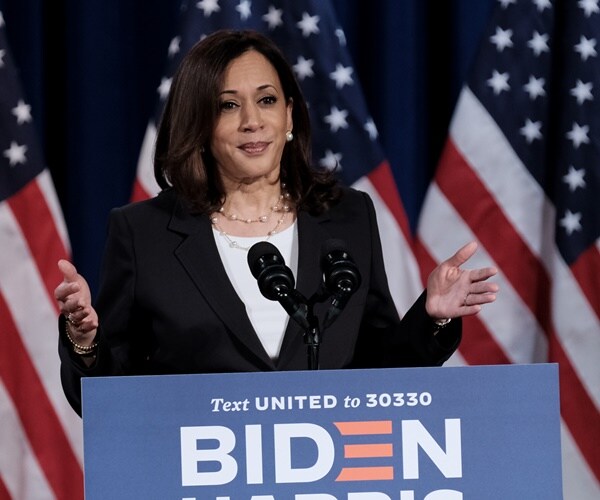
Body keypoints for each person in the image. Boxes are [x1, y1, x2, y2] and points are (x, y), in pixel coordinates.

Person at [54, 29, 498, 416]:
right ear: (200, 124)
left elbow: (377, 371)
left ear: (289, 114)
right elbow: (107, 402)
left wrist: (431, 318)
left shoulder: (347, 216)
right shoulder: (143, 233)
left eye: (267, 100)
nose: (253, 122)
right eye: (228, 106)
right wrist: (84, 343)